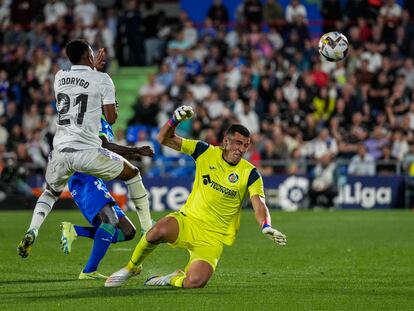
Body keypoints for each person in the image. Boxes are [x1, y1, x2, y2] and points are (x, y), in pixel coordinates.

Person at [104, 105, 287, 288]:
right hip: (189, 221)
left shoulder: (250, 173)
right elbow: (162, 138)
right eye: (238, 143)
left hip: (213, 238)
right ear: (226, 142)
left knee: (195, 282)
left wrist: (266, 225)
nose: (242, 149)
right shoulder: (204, 151)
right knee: (156, 232)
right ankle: (132, 268)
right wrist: (175, 120)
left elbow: (259, 204)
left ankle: (170, 279)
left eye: (246, 145)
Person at [17, 39, 153, 260]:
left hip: (61, 152)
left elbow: (81, 83)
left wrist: (92, 69)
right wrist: (109, 95)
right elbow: (111, 117)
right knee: (132, 174)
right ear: (90, 56)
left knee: (50, 193)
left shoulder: (59, 77)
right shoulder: (102, 79)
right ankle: (148, 227)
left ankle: (33, 229)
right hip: (87, 152)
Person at [60, 115, 154, 280]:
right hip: (84, 178)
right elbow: (104, 146)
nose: (117, 109)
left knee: (127, 231)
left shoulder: (104, 124)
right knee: (110, 220)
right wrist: (135, 150)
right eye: (114, 103)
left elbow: (106, 153)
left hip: (95, 179)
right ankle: (89, 271)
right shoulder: (95, 119)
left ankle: (75, 230)